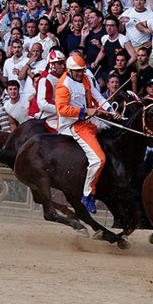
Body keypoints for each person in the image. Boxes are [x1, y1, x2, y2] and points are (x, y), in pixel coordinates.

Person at [55, 55, 117, 213]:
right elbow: (62, 110)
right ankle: (88, 194)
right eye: (76, 72)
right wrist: (85, 111)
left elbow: (96, 95)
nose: (80, 74)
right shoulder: (63, 85)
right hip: (76, 124)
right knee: (99, 159)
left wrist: (110, 109)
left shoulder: (85, 78)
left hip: (90, 119)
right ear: (70, 70)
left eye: (82, 71)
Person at [29, 49, 67, 132]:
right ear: (52, 64)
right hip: (47, 116)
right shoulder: (45, 80)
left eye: (63, 63)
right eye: (59, 64)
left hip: (62, 113)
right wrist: (62, 109)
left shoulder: (64, 75)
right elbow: (42, 104)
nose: (63, 66)